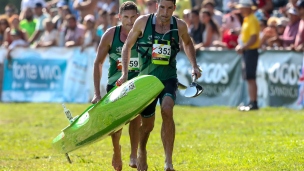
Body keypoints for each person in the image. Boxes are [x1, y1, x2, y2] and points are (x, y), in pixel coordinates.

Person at [116, 0, 202, 170]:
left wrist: (194, 65)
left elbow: (188, 42)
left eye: (169, 8)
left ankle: (168, 161)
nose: (165, 12)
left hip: (168, 78)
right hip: (146, 81)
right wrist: (125, 74)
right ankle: (141, 150)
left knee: (167, 109)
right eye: (162, 7)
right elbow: (127, 47)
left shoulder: (179, 25)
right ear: (157, 6)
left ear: (174, 8)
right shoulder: (143, 22)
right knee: (147, 125)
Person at [91, 1, 140, 170]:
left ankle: (134, 154)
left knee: (136, 117)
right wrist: (97, 94)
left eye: (133, 17)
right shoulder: (111, 35)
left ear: (138, 17)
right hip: (116, 84)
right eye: (126, 17)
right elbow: (98, 64)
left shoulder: (143, 34)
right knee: (116, 124)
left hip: (138, 84)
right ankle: (116, 150)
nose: (130, 21)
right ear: (119, 17)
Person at [235, 0, 260, 111]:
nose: (240, 10)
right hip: (247, 51)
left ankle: (253, 102)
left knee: (251, 77)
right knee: (249, 78)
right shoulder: (247, 19)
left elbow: (253, 38)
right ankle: (251, 102)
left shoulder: (252, 20)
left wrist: (243, 47)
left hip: (251, 51)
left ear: (248, 8)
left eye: (242, 7)